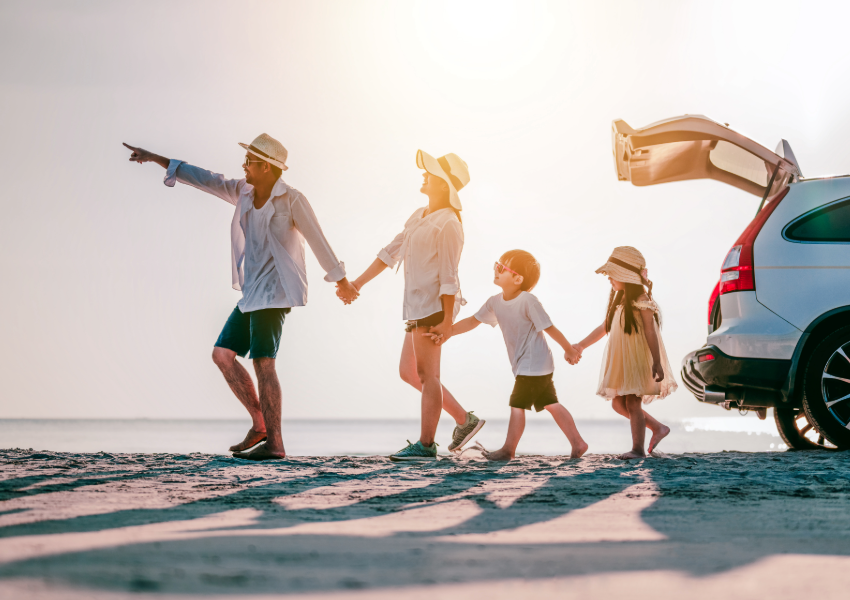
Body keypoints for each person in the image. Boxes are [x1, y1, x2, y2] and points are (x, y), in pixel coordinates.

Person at [123, 134, 359, 460]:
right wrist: (156, 158)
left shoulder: (292, 200)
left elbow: (318, 240)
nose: (244, 166)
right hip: (251, 294)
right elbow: (205, 179)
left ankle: (275, 444)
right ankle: (260, 424)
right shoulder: (243, 192)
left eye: (249, 161)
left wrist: (341, 281)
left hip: (275, 293)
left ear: (266, 167)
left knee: (264, 364)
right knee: (222, 355)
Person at [347, 150, 483, 461]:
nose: (424, 175)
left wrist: (448, 321)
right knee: (409, 371)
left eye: (431, 173)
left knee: (427, 375)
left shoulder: (449, 223)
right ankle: (465, 419)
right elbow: (390, 252)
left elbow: (450, 277)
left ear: (444, 184)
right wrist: (357, 283)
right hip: (416, 307)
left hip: (434, 308)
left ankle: (425, 445)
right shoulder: (419, 215)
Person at [427, 250, 588, 460]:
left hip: (534, 363)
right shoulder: (495, 302)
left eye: (502, 268)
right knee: (550, 403)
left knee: (517, 405)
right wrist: (448, 331)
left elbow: (549, 327)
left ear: (517, 278)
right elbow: (474, 321)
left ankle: (508, 450)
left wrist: (568, 349)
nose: (496, 269)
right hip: (527, 364)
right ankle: (578, 443)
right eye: (497, 264)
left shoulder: (528, 301)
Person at [573, 246, 676, 459]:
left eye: (612, 275)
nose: (609, 279)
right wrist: (581, 345)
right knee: (618, 403)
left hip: (638, 358)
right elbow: (605, 327)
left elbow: (650, 331)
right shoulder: (619, 300)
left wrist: (657, 362)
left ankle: (638, 450)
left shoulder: (642, 299)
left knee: (632, 402)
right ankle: (658, 428)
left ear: (625, 277)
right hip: (623, 359)